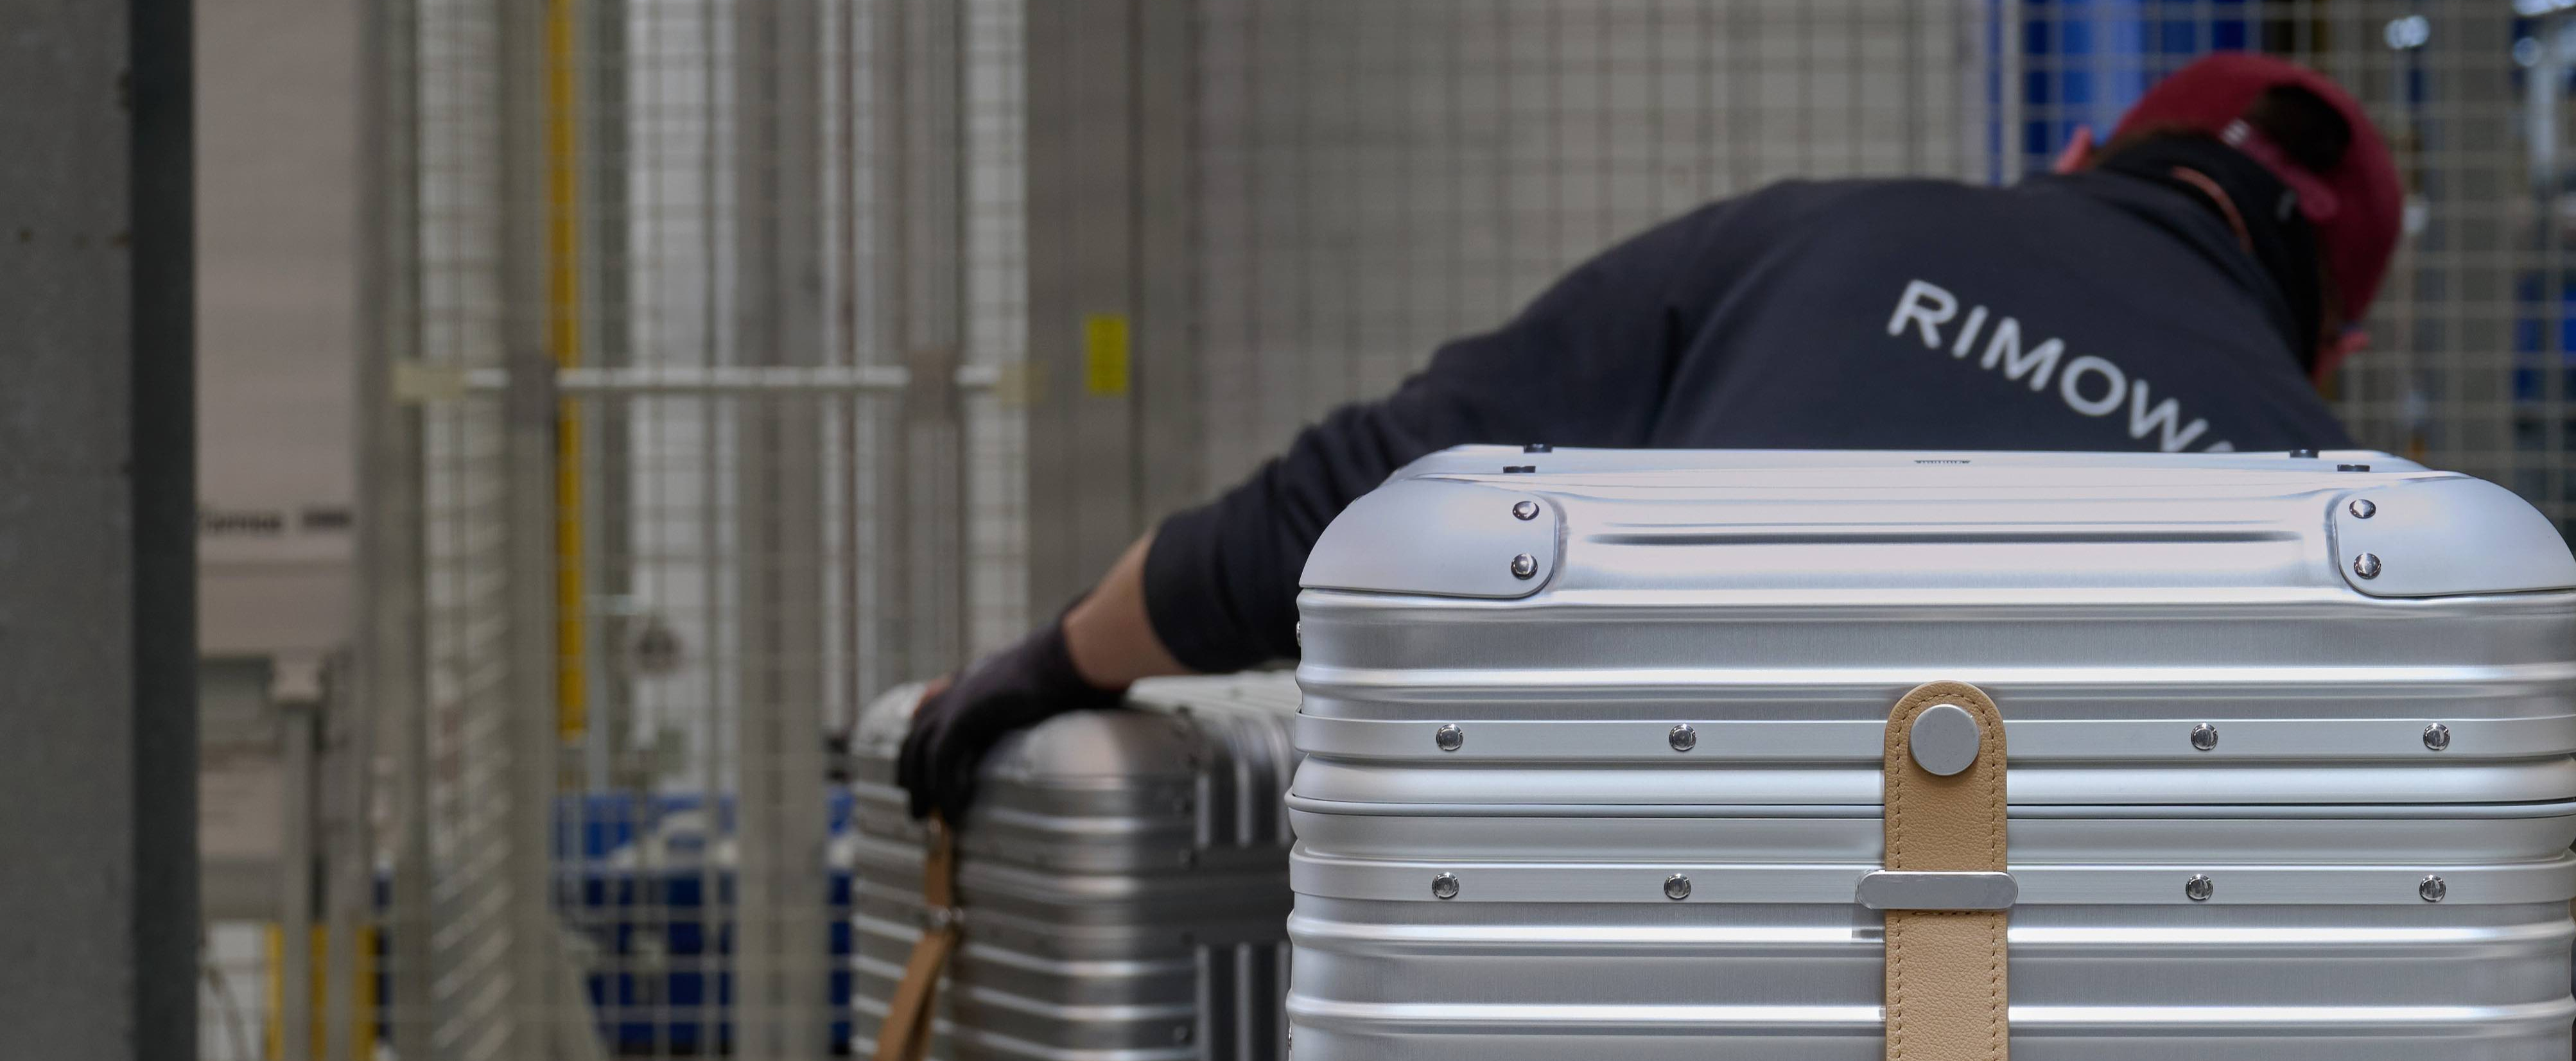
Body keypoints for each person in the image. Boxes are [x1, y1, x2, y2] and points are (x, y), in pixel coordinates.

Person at [892, 52, 2404, 820]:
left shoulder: (1811, 242)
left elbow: (1350, 512)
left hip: (1656, 1018)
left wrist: (1050, 665)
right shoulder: (2329, 496)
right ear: (2325, 336)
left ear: (2075, 156)